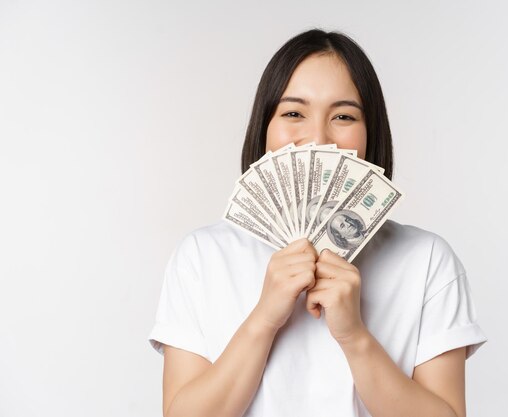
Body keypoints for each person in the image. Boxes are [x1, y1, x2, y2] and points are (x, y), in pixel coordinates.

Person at [148, 28, 488, 417]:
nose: (318, 138)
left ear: (370, 130)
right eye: (293, 113)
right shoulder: (202, 256)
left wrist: (354, 336)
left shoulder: (427, 260)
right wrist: (264, 318)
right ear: (264, 127)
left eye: (343, 116)